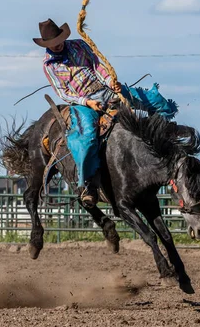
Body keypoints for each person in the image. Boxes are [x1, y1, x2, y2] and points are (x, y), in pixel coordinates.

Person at [33, 19, 178, 206]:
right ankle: (86, 183)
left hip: (105, 89)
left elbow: (97, 65)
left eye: (59, 40)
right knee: (86, 139)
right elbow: (64, 93)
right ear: (48, 45)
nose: (58, 45)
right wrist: (88, 102)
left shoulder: (79, 45)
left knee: (150, 99)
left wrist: (110, 82)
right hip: (83, 101)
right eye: (53, 44)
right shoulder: (49, 66)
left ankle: (165, 127)